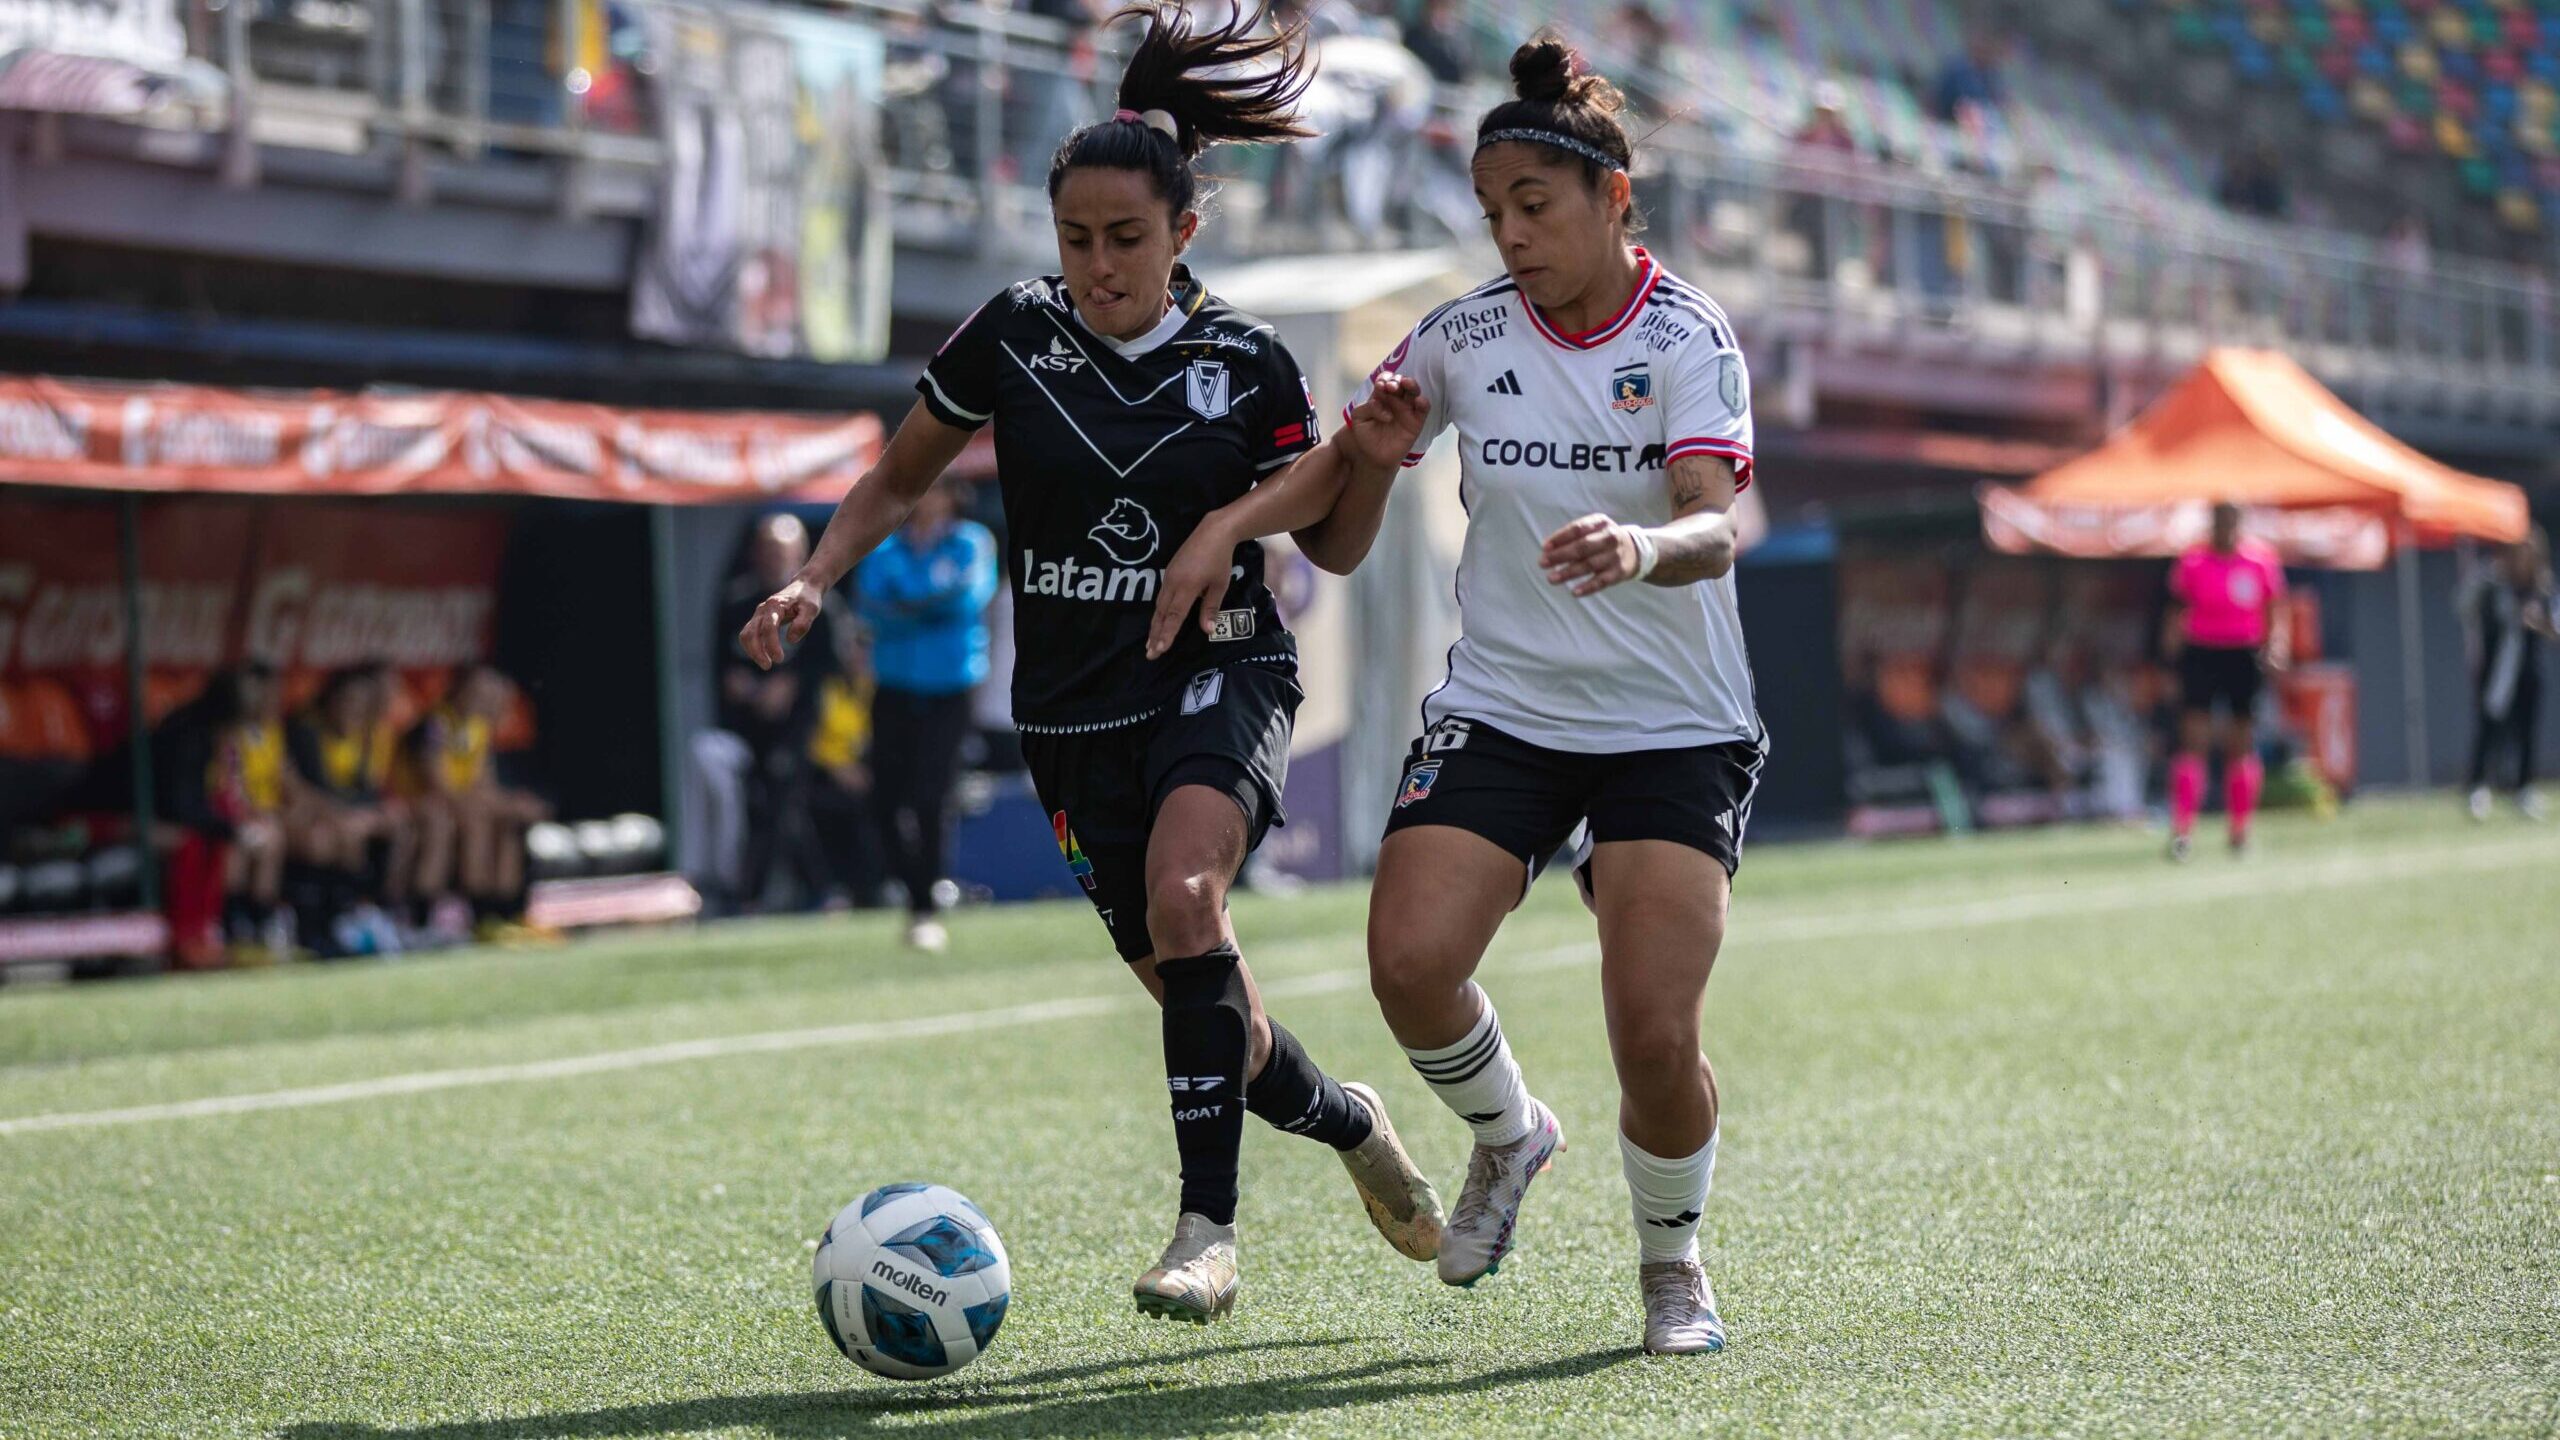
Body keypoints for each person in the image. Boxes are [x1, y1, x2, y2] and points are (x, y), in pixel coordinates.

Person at [740, 1, 1441, 1326]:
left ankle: (1205, 1235)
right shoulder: (1010, 336)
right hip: (1070, 715)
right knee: (1207, 1011)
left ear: (1185, 233)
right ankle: (1350, 1123)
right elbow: (896, 481)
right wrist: (811, 578)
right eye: (1076, 239)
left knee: (1191, 901)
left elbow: (1334, 543)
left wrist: (1368, 470)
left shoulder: (1245, 364)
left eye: (1127, 240)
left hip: (1220, 671)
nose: (1100, 265)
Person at [1150, 36, 1763, 1356]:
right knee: (1411, 967)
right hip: (1506, 706)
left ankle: (1673, 1266)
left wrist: (1641, 546)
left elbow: (1717, 528)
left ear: (1611, 197)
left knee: (1654, 1038)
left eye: (1532, 206)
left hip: (1674, 725)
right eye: (1491, 212)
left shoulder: (1688, 336)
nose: (1509, 234)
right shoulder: (1463, 336)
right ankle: (1509, 1133)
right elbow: (1343, 502)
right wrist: (1233, 527)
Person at [855, 478, 1000, 951]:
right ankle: (915, 886)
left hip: (949, 687)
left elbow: (967, 601)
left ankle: (925, 903)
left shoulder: (970, 542)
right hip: (894, 685)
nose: (928, 496)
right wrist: (928, 604)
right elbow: (872, 608)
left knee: (932, 795)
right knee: (883, 800)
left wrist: (909, 603)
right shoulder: (885, 547)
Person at [705, 515, 839, 913]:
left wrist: (792, 685)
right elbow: (721, 666)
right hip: (749, 724)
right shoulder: (737, 602)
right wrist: (746, 688)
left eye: (780, 551)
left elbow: (828, 664)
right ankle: (823, 888)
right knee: (767, 803)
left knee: (782, 794)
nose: (772, 559)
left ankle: (752, 894)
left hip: (797, 724)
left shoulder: (816, 601)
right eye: (765, 549)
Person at [2162, 502, 2288, 860]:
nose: (2225, 528)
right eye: (2219, 521)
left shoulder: (2260, 560)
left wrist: (2278, 647)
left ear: (2240, 522)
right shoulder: (2192, 562)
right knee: (2194, 742)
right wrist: (2171, 662)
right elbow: (2174, 613)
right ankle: (2183, 832)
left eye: (2231, 520)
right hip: (2201, 652)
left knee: (2241, 744)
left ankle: (2240, 831)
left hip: (2243, 654)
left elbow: (2276, 609)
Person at [404, 664, 553, 941]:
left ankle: (505, 914)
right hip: (420, 803)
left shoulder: (478, 728)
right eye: (480, 694)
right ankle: (427, 919)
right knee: (471, 822)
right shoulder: (437, 724)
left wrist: (511, 804)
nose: (486, 702)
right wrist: (495, 804)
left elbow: (484, 785)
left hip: (462, 804)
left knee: (507, 819)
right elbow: (438, 786)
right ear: (459, 691)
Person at [287, 666, 412, 956]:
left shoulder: (367, 736)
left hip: (346, 813)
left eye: (362, 705)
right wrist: (352, 814)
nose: (355, 710)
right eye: (348, 701)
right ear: (331, 700)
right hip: (312, 814)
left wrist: (375, 812)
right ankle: (325, 926)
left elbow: (366, 789)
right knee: (341, 834)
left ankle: (384, 913)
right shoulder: (308, 732)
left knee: (398, 825)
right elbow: (313, 788)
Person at [2461, 528, 2554, 821]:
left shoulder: (2542, 587)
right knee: (2490, 730)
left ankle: (2523, 789)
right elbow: (2465, 607)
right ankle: (2478, 788)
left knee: (2526, 731)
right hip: (2497, 672)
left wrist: (2536, 623)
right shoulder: (2493, 583)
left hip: (2528, 672)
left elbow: (2555, 628)